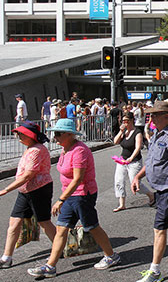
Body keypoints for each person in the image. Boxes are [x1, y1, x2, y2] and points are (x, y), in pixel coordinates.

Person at [28, 119, 120, 278]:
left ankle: (111, 256)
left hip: (82, 195)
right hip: (70, 195)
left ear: (70, 134)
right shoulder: (66, 148)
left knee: (92, 227)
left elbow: (78, 179)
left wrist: (61, 200)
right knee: (61, 229)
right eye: (53, 133)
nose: (54, 137)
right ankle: (50, 266)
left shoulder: (80, 151)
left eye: (58, 133)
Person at [131, 102, 168, 282]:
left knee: (159, 229)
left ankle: (155, 271)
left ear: (167, 116)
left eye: (156, 115)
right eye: (151, 115)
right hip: (162, 190)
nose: (151, 118)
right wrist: (138, 177)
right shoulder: (158, 133)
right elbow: (152, 162)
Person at [0, 122, 56, 268]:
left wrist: (6, 190)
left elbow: (28, 175)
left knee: (44, 222)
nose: (18, 137)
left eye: (21, 134)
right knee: (14, 223)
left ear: (30, 136)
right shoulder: (30, 148)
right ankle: (6, 257)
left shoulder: (37, 150)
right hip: (25, 191)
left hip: (39, 190)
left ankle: (59, 247)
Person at [112, 112, 155, 211]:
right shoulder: (124, 132)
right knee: (119, 181)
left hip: (134, 161)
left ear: (132, 121)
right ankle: (121, 204)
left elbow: (138, 147)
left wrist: (131, 158)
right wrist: (121, 131)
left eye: (126, 121)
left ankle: (151, 195)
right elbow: (115, 142)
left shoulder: (137, 132)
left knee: (134, 182)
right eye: (123, 121)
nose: (124, 123)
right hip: (122, 160)